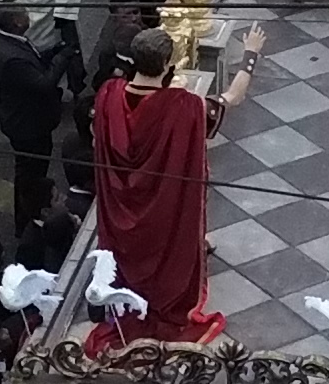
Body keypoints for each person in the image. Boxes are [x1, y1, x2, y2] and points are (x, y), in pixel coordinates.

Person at [83, 25, 263, 350]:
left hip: (120, 213)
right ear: (168, 65)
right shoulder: (185, 106)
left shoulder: (108, 95)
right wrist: (250, 54)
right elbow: (233, 96)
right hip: (164, 216)